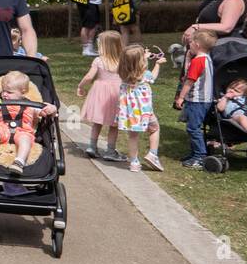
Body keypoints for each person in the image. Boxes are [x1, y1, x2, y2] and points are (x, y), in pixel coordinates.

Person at [0, 71, 57, 175]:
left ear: (23, 92)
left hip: (22, 131)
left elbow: (44, 111)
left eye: (9, 92)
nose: (4, 94)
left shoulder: (31, 105)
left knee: (25, 139)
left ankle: (19, 162)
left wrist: (52, 109)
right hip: (2, 129)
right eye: (3, 90)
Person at [75, 30, 126, 161]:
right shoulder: (123, 60)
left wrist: (81, 86)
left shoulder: (98, 60)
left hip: (99, 92)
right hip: (117, 93)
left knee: (97, 121)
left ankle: (92, 146)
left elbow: (89, 77)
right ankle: (110, 151)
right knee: (114, 124)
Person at [173, 30, 216, 168]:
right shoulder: (208, 58)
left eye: (190, 42)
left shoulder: (197, 61)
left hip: (197, 100)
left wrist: (180, 97)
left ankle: (199, 156)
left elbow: (189, 82)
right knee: (194, 127)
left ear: (197, 44)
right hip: (206, 99)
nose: (189, 44)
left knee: (193, 128)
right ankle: (194, 153)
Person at [118, 43, 164, 172]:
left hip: (130, 112)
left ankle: (134, 163)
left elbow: (134, 64)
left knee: (133, 136)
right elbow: (153, 76)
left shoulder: (123, 74)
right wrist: (158, 64)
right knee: (155, 128)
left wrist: (143, 56)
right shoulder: (145, 74)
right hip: (144, 111)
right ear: (141, 62)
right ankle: (152, 154)